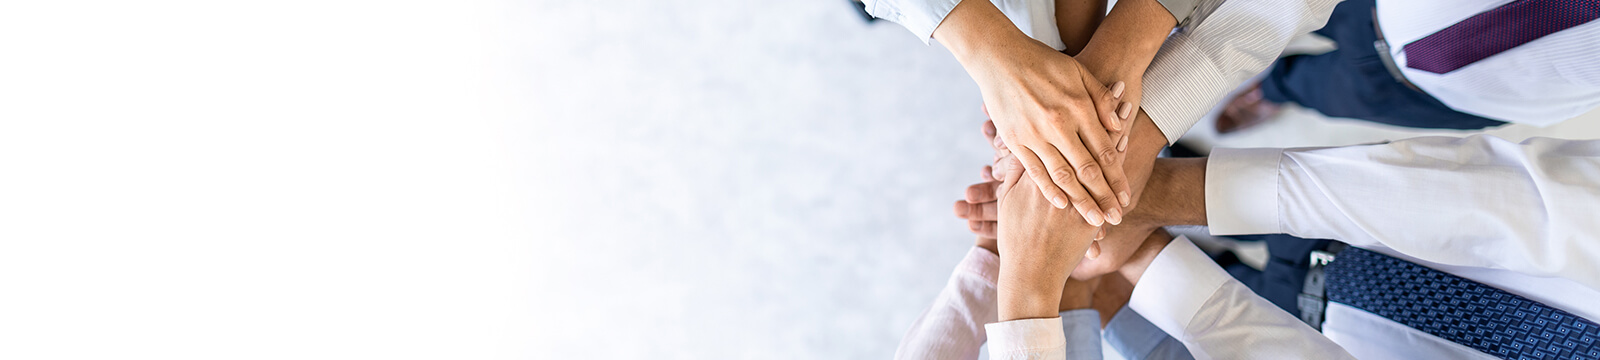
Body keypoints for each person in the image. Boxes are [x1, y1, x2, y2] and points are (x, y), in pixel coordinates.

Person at [964, 131, 1600, 358]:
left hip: (1283, 332)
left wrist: (1030, 282)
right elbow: (1528, 203)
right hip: (1365, 242)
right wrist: (1157, 202)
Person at [1216, 0, 1600, 133]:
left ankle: (1276, 89)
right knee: (1269, 15)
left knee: (1326, 92)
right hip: (1385, 6)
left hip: (1441, 95)